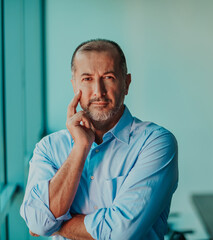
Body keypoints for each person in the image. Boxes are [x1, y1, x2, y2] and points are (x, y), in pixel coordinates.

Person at [20, 39, 178, 240]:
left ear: (126, 83)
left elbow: (121, 232)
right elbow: (36, 222)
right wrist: (81, 147)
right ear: (74, 84)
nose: (98, 91)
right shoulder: (49, 148)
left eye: (109, 77)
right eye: (87, 79)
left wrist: (55, 224)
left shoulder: (156, 143)